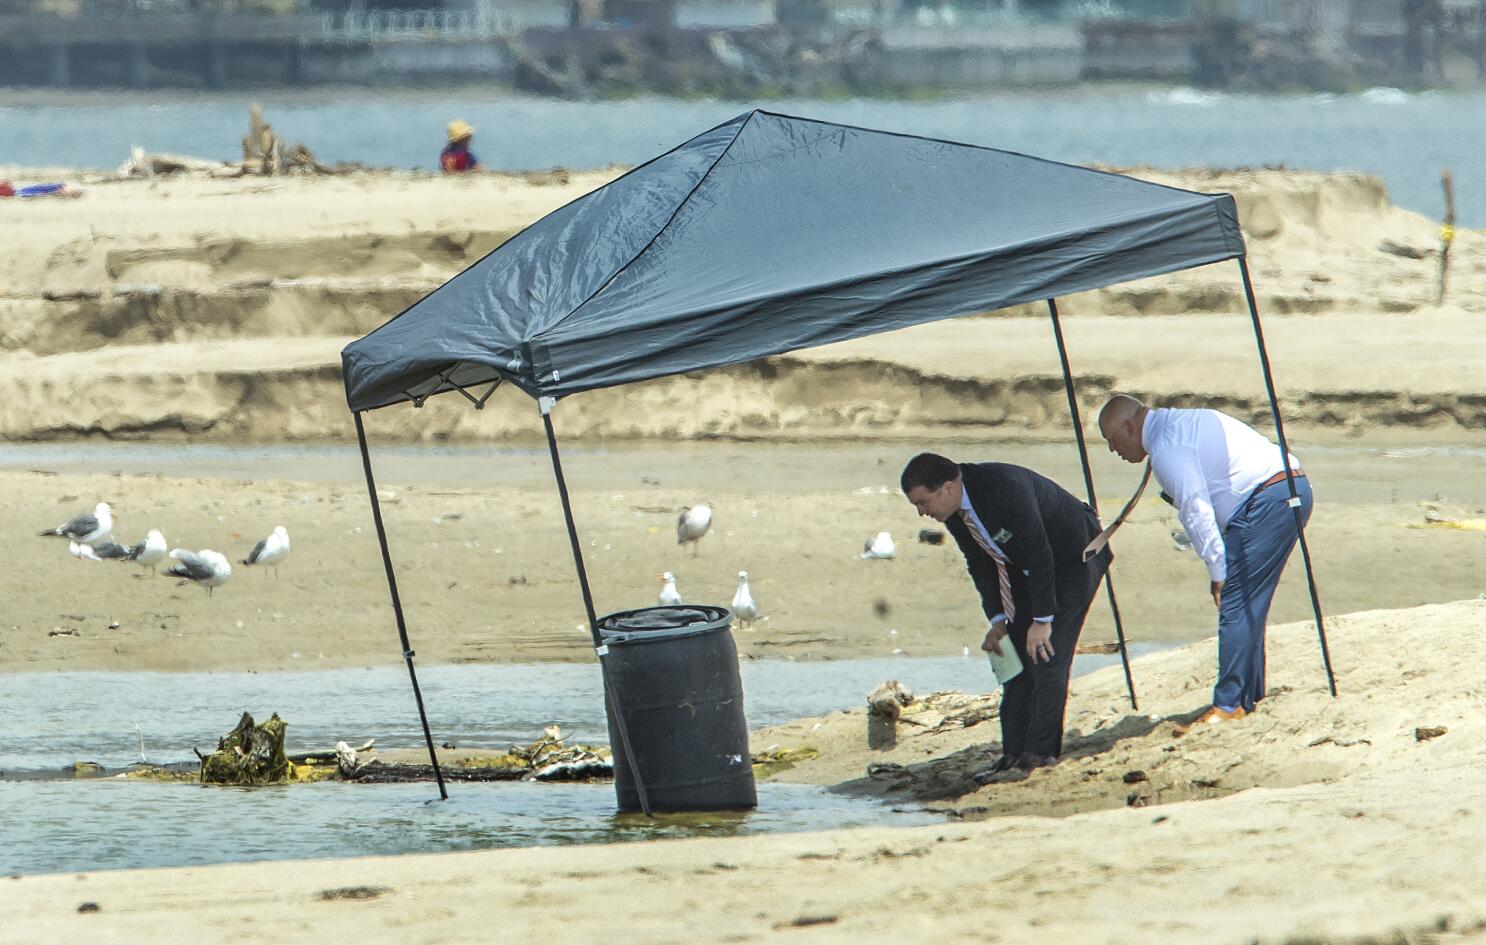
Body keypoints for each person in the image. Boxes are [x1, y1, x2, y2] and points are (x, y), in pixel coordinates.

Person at [1097, 394, 1313, 730]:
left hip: (1271, 496)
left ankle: (1228, 705)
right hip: (1281, 490)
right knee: (1246, 603)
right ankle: (1247, 696)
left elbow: (1196, 509)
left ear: (1129, 426)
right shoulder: (1175, 426)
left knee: (1236, 603)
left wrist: (1217, 571)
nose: (1114, 451)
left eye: (1112, 442)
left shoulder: (1167, 446)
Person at [901, 452, 1110, 778]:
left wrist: (1042, 621)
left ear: (947, 488)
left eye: (923, 502)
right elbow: (981, 564)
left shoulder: (1004, 488)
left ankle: (1041, 754)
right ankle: (1012, 753)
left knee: (1047, 655)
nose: (922, 513)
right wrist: (999, 620)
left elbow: (1040, 552)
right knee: (1013, 661)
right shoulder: (954, 513)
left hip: (1074, 559)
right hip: (1026, 569)